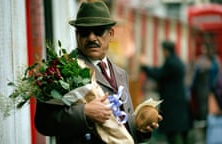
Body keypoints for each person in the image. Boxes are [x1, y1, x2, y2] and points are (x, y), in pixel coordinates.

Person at [34, 1, 162, 144]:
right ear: (77, 35)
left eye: (98, 31)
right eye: (84, 33)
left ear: (111, 33)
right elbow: (43, 123)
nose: (91, 38)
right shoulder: (62, 69)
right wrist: (84, 112)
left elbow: (119, 126)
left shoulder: (121, 74)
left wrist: (139, 127)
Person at [140, 40, 190, 144]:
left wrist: (145, 67)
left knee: (172, 132)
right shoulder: (177, 61)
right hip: (178, 101)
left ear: (166, 51)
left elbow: (158, 74)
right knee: (179, 132)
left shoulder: (171, 63)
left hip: (172, 102)